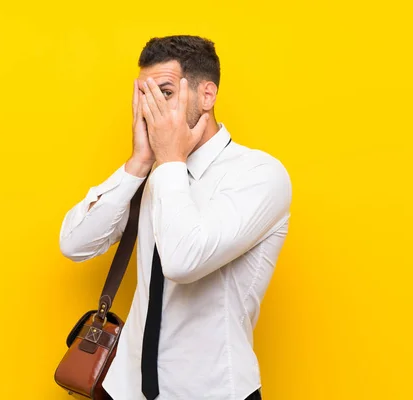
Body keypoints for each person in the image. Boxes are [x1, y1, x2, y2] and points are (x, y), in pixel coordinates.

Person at [59, 35, 292, 400]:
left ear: (207, 96)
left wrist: (169, 160)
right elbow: (75, 244)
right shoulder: (152, 172)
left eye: (164, 92)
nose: (151, 108)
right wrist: (138, 163)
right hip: (124, 389)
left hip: (211, 391)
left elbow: (183, 261)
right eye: (144, 95)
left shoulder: (259, 175)